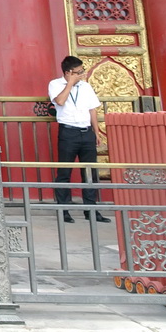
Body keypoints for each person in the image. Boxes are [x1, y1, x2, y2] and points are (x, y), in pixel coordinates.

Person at [48, 56, 110, 223]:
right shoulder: (55, 84)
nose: (82, 75)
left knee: (90, 172)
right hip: (68, 133)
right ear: (68, 72)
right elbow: (59, 101)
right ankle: (64, 210)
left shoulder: (86, 87)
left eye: (82, 72)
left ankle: (91, 210)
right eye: (78, 72)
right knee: (64, 172)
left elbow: (92, 110)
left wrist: (96, 132)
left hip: (86, 132)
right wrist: (70, 83)